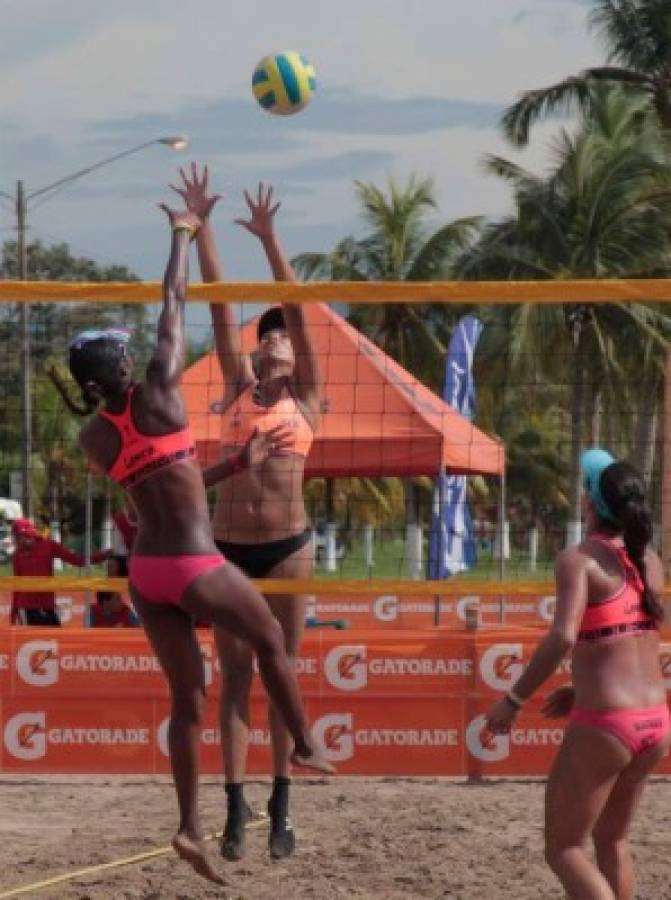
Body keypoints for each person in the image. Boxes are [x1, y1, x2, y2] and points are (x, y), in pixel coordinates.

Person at [50, 203, 333, 886]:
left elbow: (163, 481)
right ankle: (303, 743)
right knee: (269, 643)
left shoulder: (93, 438)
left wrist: (232, 466)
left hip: (146, 571)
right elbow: (174, 303)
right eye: (123, 352)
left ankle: (187, 825)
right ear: (121, 368)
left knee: (188, 700)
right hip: (197, 560)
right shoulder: (161, 394)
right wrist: (181, 233)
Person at [173, 165, 321, 860]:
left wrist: (270, 237)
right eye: (266, 335)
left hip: (288, 545)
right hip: (228, 549)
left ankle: (281, 806)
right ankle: (234, 807)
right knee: (233, 677)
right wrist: (201, 228)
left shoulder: (309, 395)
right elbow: (219, 308)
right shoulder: (236, 386)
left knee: (281, 668)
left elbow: (293, 304)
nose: (271, 337)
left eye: (280, 335)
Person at [485, 449, 669, 900]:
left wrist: (512, 701)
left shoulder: (579, 559)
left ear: (589, 503)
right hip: (657, 721)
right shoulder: (651, 560)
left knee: (564, 848)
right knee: (613, 841)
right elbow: (633, 637)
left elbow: (563, 638)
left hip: (610, 725)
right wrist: (580, 685)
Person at [11, 517, 109, 625]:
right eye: (14, 537)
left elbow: (75, 559)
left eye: (17, 536)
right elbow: (16, 587)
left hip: (48, 606)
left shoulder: (48, 545)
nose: (15, 540)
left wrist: (101, 557)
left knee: (56, 639)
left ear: (26, 534)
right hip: (26, 608)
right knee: (30, 641)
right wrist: (13, 613)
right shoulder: (17, 555)